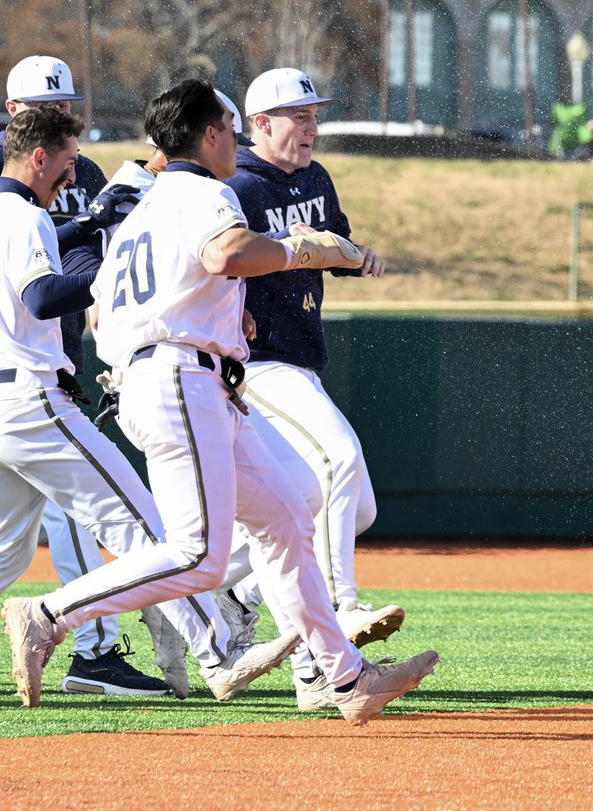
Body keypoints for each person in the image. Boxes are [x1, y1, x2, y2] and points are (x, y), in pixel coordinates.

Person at [4, 81, 439, 723]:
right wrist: (301, 250)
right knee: (198, 557)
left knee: (288, 521)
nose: (235, 144)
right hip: (179, 382)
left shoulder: (142, 210)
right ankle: (48, 614)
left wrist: (224, 336)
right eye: (230, 132)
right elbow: (228, 252)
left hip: (183, 377)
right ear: (209, 136)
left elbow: (121, 310)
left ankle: (340, 678)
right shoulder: (203, 192)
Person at [0, 105, 303, 708]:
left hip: (5, 399)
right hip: (32, 401)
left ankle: (213, 647)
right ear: (39, 157)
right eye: (64, 162)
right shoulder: (26, 216)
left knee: (5, 550)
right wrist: (109, 265)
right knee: (141, 528)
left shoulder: (12, 217)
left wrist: (87, 226)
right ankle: (221, 652)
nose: (70, 174)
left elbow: (32, 261)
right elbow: (40, 296)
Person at [225, 68, 405, 703]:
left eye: (313, 114)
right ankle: (341, 608)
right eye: (296, 116)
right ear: (260, 124)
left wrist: (357, 256)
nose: (310, 126)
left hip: (302, 360)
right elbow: (218, 259)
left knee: (350, 508)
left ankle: (237, 593)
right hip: (256, 359)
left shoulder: (316, 179)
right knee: (339, 459)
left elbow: (332, 245)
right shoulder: (238, 184)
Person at [2, 54, 168, 697]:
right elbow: (40, 281)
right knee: (101, 517)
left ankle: (94, 649)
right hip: (24, 371)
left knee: (10, 547)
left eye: (67, 103)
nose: (58, 115)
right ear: (13, 112)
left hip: (50, 357)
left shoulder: (80, 169)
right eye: (42, 106)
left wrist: (97, 224)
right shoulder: (17, 177)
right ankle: (95, 653)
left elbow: (72, 249)